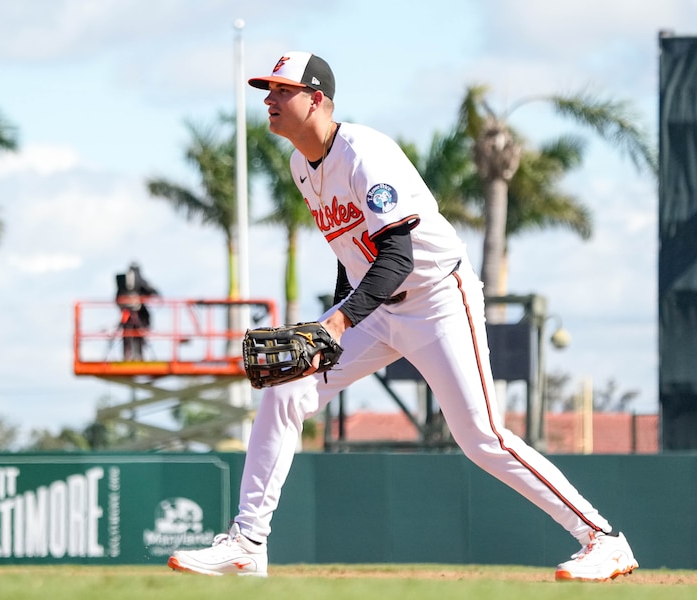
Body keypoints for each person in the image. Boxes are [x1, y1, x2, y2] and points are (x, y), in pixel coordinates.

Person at [167, 51, 638, 581]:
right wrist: (336, 321)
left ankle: (603, 539)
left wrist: (339, 324)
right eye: (267, 90)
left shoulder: (366, 154)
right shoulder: (303, 164)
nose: (269, 100)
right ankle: (248, 542)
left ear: (317, 98)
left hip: (439, 299)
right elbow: (353, 251)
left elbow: (398, 255)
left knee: (481, 437)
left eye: (281, 90)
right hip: (378, 304)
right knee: (286, 389)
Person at [115, 262, 159, 361]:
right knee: (137, 333)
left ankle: (128, 355)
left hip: (127, 313)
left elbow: (117, 298)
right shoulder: (140, 280)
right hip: (135, 313)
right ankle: (137, 356)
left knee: (129, 333)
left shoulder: (123, 281)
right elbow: (150, 290)